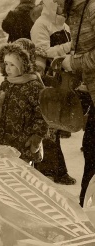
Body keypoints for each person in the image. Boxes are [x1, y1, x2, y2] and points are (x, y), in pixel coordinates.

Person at [30, 0, 76, 185]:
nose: (61, 6)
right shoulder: (40, 25)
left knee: (56, 126)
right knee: (49, 126)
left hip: (63, 79)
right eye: (57, 2)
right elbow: (43, 52)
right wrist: (69, 48)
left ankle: (51, 168)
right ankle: (53, 169)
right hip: (49, 79)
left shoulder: (64, 25)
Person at [0, 41, 49, 164]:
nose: (7, 68)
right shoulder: (6, 83)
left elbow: (43, 115)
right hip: (4, 138)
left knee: (23, 175)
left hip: (24, 141)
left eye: (12, 65)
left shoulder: (34, 86)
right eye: (6, 64)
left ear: (22, 66)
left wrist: (37, 136)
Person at [61, 0, 95, 206]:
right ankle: (86, 206)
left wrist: (73, 63)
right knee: (90, 148)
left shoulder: (91, 9)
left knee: (92, 149)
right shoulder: (77, 11)